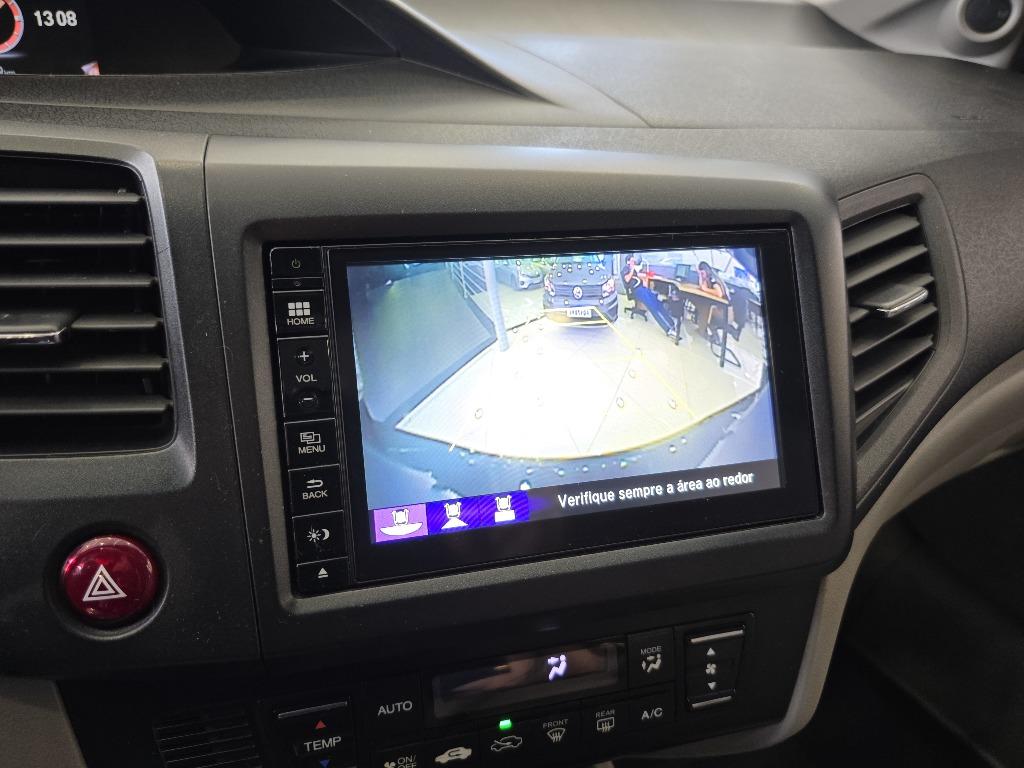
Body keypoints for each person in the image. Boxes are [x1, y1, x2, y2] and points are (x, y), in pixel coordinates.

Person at [621, 255, 681, 338]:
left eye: (634, 261)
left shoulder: (633, 269)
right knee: (653, 308)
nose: (634, 262)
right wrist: (632, 268)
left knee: (658, 303)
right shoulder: (625, 269)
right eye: (632, 261)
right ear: (628, 261)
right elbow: (627, 279)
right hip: (636, 291)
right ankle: (668, 329)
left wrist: (643, 279)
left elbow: (637, 278)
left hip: (642, 288)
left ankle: (671, 323)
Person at [696, 261, 727, 338]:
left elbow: (719, 293)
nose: (702, 275)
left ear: (706, 271)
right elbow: (702, 286)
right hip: (716, 305)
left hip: (722, 309)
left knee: (704, 309)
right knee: (702, 306)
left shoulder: (713, 279)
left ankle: (703, 331)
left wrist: (706, 289)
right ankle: (703, 330)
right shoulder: (707, 278)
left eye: (702, 273)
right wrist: (700, 276)